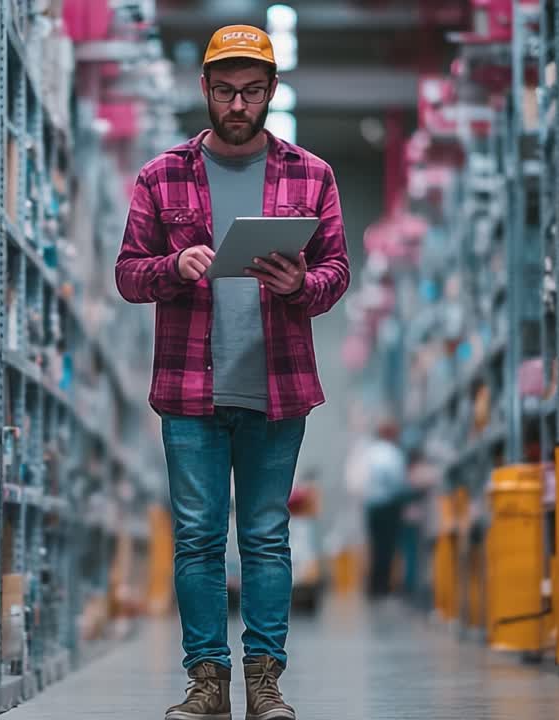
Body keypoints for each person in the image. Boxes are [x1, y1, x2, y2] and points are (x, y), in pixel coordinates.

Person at [114, 24, 350, 720]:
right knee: (197, 537)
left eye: (251, 92)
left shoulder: (313, 175)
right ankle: (205, 682)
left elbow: (336, 275)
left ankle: (265, 682)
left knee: (267, 536)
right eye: (225, 92)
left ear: (271, 92)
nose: (238, 105)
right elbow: (128, 275)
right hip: (190, 387)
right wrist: (171, 267)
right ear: (205, 92)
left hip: (278, 385)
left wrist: (298, 285)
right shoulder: (161, 176)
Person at [360, 423, 408, 600]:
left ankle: (374, 586)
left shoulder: (371, 452)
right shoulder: (393, 453)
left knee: (375, 546)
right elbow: (397, 482)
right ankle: (383, 588)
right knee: (387, 547)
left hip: (371, 506)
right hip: (388, 505)